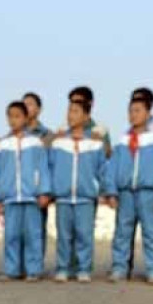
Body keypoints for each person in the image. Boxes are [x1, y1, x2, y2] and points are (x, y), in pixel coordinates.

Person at [105, 97, 153, 283]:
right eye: (131, 111)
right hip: (125, 194)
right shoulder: (123, 140)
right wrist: (112, 191)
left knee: (151, 233)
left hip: (148, 193)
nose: (133, 115)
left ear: (148, 114)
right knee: (122, 233)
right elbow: (112, 167)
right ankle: (119, 267)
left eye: (138, 110)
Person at [49, 100, 108, 282]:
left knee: (84, 235)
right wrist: (51, 190)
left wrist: (104, 191)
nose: (70, 115)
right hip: (63, 197)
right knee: (64, 236)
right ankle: (63, 268)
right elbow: (50, 167)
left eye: (75, 111)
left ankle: (84, 269)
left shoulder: (95, 144)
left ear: (86, 116)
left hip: (86, 197)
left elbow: (103, 170)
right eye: (69, 111)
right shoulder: (58, 143)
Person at [0, 101, 51, 281]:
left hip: (31, 197)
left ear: (26, 118)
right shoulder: (3, 144)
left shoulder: (36, 142)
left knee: (33, 235)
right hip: (10, 198)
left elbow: (43, 168)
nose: (13, 120)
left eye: (17, 116)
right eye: (10, 116)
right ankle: (12, 270)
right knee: (11, 235)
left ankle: (33, 270)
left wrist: (43, 192)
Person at [22, 91, 52, 272]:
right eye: (23, 104)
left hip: (38, 190)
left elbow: (50, 165)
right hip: (19, 190)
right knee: (18, 231)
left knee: (37, 230)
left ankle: (35, 266)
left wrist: (47, 191)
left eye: (31, 104)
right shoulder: (13, 135)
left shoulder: (47, 136)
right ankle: (19, 266)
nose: (27, 107)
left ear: (39, 109)